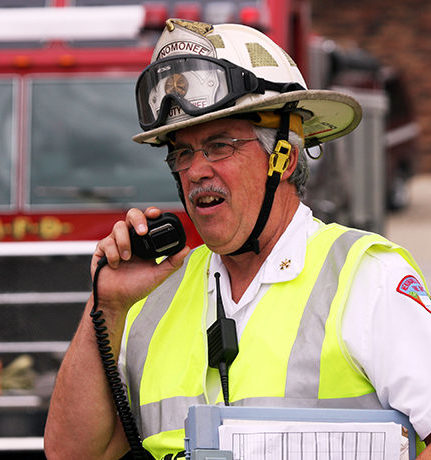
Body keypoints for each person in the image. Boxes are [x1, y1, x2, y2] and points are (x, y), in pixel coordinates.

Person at [44, 19, 431, 460]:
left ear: (283, 157)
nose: (195, 170)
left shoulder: (369, 279)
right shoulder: (148, 300)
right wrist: (107, 308)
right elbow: (72, 454)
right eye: (182, 153)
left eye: (219, 145)